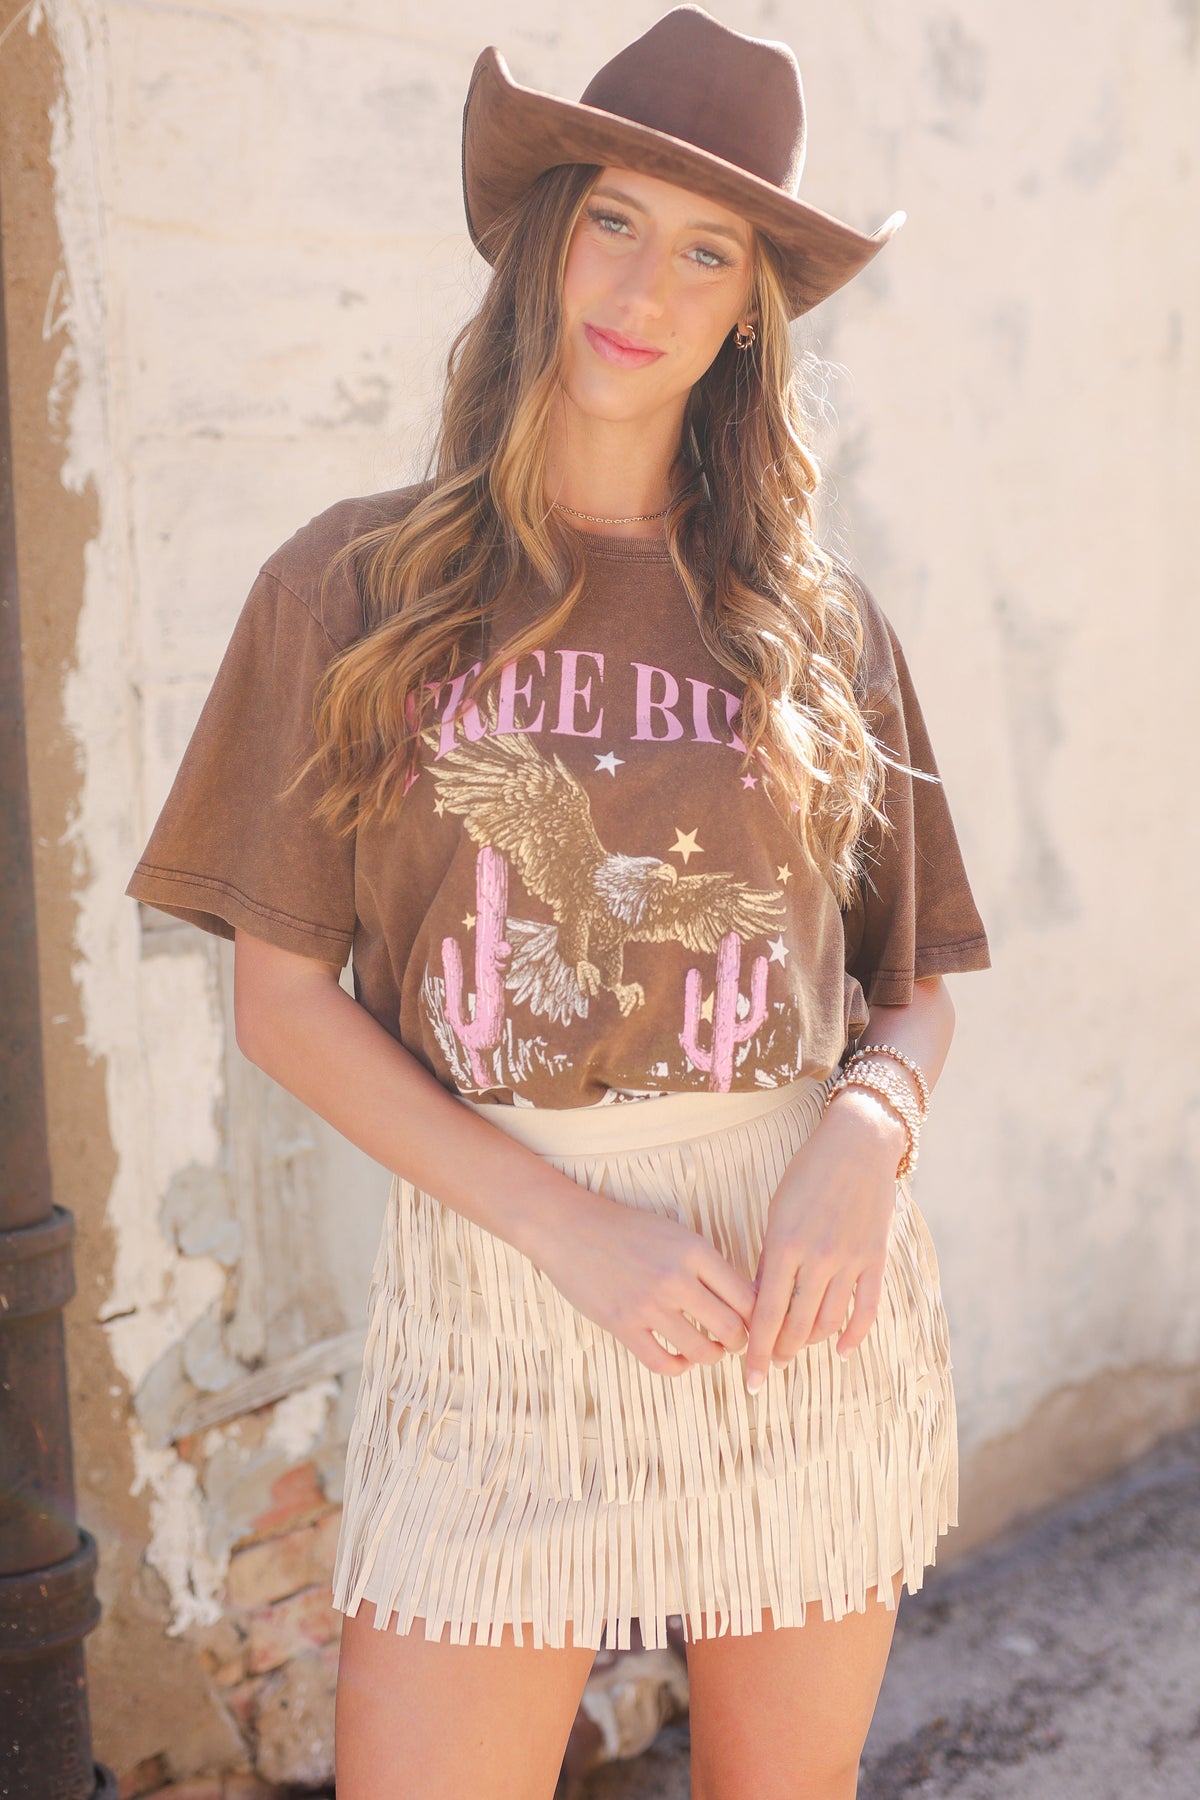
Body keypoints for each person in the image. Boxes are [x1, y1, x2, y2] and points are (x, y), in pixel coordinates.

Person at [126, 7, 991, 1797]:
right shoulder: (354, 591)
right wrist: (565, 1226)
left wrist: (867, 1133)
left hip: (796, 1301)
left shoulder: (814, 630)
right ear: (543, 236)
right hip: (506, 1288)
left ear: (749, 308)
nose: (648, 286)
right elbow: (284, 1002)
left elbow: (913, 982)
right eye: (616, 218)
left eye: (709, 251)